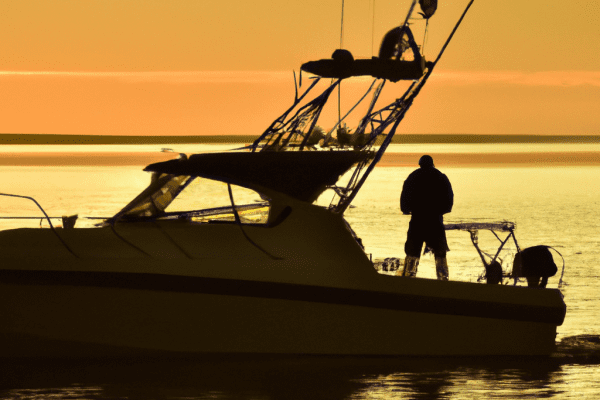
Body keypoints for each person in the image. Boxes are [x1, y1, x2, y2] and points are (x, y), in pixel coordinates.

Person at [398, 155, 453, 280]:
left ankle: (409, 276)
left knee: (412, 251)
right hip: (435, 220)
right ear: (432, 163)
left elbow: (404, 198)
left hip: (418, 219)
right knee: (440, 253)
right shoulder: (440, 177)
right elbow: (449, 199)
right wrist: (441, 211)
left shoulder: (413, 177)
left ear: (420, 164)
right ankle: (443, 278)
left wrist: (407, 209)